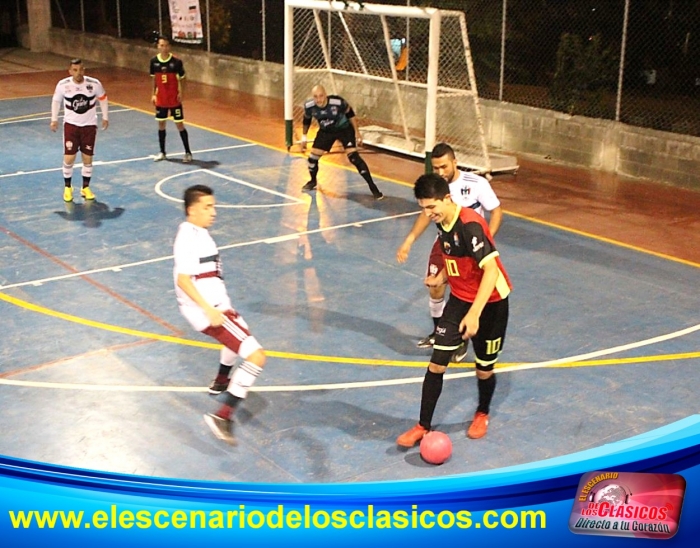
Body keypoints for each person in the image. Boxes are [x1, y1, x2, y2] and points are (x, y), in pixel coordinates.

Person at [396, 173, 511, 446]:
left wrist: (474, 314)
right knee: (436, 364)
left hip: (491, 303)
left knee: (484, 368)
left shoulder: (471, 225)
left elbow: (491, 271)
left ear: (447, 198)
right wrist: (444, 278)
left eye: (431, 207)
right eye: (423, 207)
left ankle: (482, 412)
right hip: (460, 299)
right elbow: (460, 261)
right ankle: (422, 425)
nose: (427, 213)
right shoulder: (443, 223)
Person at [173, 184, 266, 445]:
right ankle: (222, 416)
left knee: (236, 342)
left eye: (213, 206)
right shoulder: (189, 236)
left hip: (217, 304)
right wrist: (209, 309)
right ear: (192, 210)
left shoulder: (198, 232)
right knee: (257, 357)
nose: (213, 212)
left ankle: (220, 382)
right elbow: (183, 280)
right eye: (207, 207)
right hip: (209, 309)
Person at [396, 143, 503, 349]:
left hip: (470, 247)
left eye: (444, 167)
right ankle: (440, 334)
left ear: (455, 162)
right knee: (435, 288)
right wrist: (409, 240)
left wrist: (486, 241)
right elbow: (425, 215)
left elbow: (496, 211)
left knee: (467, 292)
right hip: (444, 243)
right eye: (435, 168)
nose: (440, 172)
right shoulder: (435, 186)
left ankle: (462, 336)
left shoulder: (476, 183)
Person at [300, 85, 384, 200]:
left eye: (321, 96)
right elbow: (306, 120)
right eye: (315, 97)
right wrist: (304, 136)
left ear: (325, 95)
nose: (319, 100)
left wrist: (357, 132)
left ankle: (373, 187)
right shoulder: (310, 106)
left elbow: (350, 114)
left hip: (344, 129)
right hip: (326, 131)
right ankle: (313, 181)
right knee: (312, 159)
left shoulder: (337, 102)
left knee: (354, 158)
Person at [50, 58, 109, 202]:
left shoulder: (94, 84)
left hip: (89, 126)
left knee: (87, 158)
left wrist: (105, 117)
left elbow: (103, 98)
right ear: (70, 71)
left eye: (81, 69)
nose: (78, 73)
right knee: (69, 158)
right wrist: (54, 119)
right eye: (75, 70)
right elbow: (56, 101)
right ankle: (68, 187)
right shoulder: (63, 85)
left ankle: (85, 187)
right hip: (71, 125)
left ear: (84, 70)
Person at [150, 36, 193, 163]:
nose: (164, 48)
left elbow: (183, 78)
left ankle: (188, 152)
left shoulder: (176, 62)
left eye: (166, 45)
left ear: (169, 47)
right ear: (158, 46)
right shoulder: (153, 62)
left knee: (179, 124)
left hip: (174, 99)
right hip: (161, 99)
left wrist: (182, 93)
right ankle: (162, 152)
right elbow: (154, 79)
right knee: (161, 124)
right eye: (161, 45)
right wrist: (153, 94)